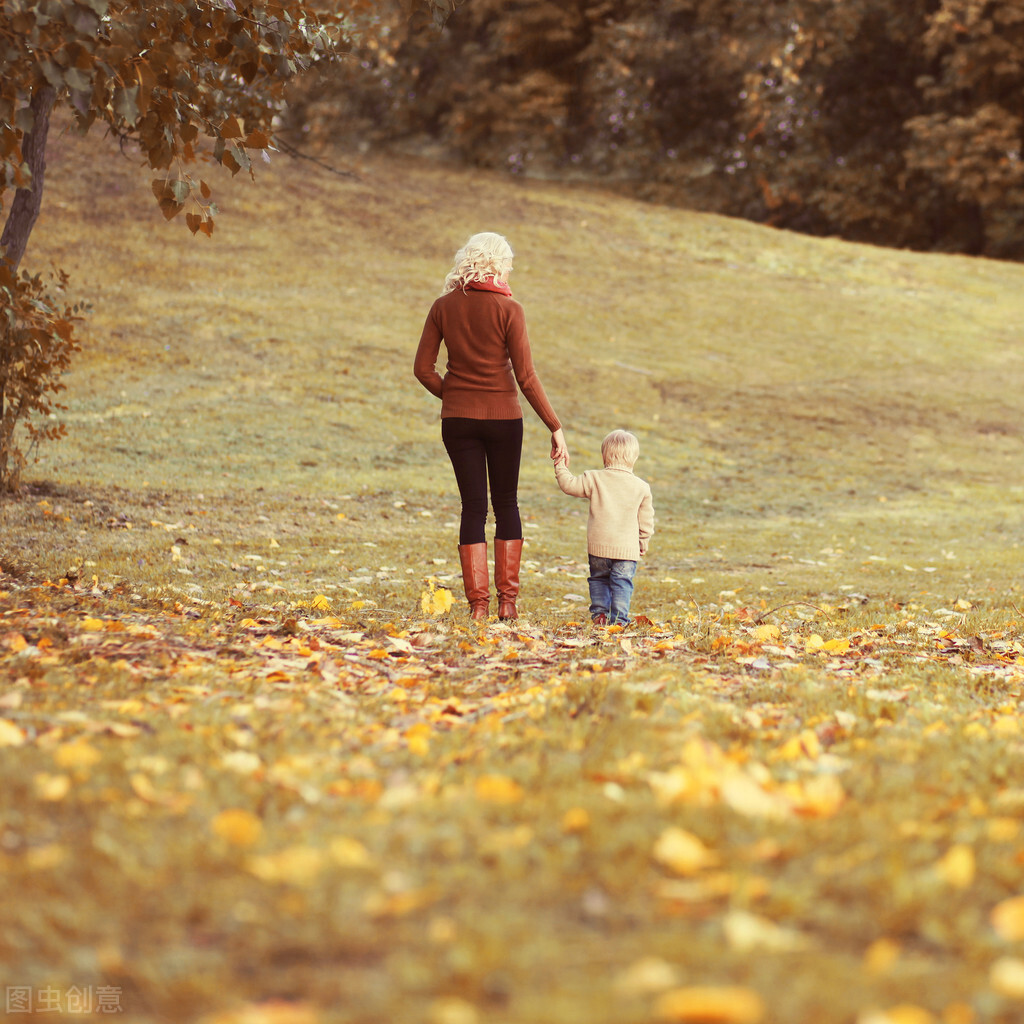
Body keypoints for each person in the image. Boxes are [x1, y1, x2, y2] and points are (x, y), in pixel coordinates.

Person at [414, 232, 566, 621]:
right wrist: (555, 425)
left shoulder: (442, 306)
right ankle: (508, 604)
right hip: (504, 420)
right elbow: (527, 378)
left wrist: (455, 395)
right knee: (507, 503)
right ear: (498, 263)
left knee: (472, 508)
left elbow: (423, 370)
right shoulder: (509, 309)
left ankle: (478, 607)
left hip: (458, 421)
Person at [553, 429, 654, 626]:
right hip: (627, 549)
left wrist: (560, 465)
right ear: (634, 458)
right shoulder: (641, 487)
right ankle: (619, 620)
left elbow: (568, 484)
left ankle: (599, 614)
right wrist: (643, 541)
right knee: (622, 583)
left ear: (604, 455)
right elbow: (646, 520)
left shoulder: (594, 478)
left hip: (598, 547)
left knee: (598, 579)